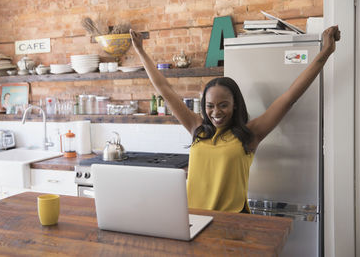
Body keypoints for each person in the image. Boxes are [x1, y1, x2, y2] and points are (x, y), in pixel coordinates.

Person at [130, 26, 341, 213]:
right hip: (193, 219)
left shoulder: (249, 135)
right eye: (210, 106)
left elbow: (289, 98)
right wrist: (140, 51)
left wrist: (325, 52)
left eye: (223, 105)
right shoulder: (197, 129)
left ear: (235, 105)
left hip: (233, 222)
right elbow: (164, 89)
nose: (216, 112)